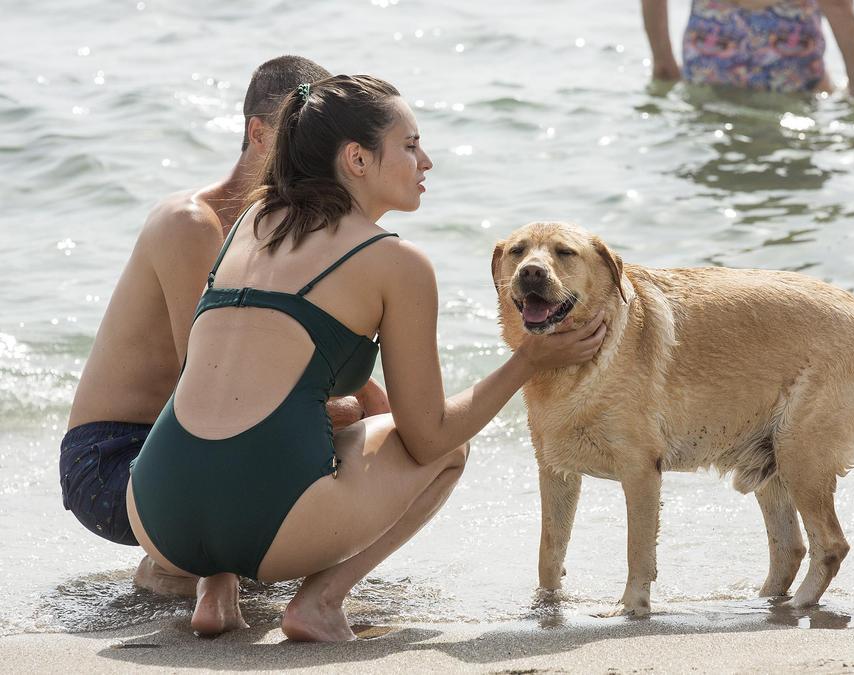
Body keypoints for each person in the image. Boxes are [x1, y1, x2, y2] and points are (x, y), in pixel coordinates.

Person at [125, 74, 607, 641]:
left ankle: (216, 587)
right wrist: (530, 359)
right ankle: (320, 603)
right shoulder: (395, 263)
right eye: (409, 145)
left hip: (156, 511)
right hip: (265, 525)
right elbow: (428, 437)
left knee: (268, 412)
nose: (426, 161)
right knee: (450, 449)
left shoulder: (250, 224)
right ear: (356, 158)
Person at [59, 56, 373, 598]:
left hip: (187, 447)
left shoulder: (277, 232)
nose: (317, 160)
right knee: (334, 419)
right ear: (259, 134)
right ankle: (179, 563)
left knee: (370, 426)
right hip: (111, 462)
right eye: (301, 137)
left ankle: (229, 563)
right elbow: (210, 388)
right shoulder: (191, 226)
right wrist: (344, 412)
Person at [641, 0, 854, 96]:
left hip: (714, 49)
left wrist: (663, 61)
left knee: (712, 137)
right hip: (789, 58)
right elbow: (838, 6)